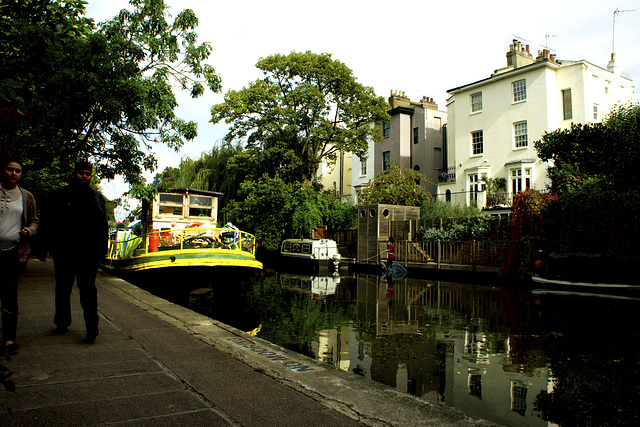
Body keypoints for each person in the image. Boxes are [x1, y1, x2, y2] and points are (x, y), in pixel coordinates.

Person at [41, 161, 108, 344]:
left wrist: (103, 249)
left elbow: (103, 225)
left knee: (88, 290)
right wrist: (44, 246)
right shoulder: (59, 195)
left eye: (87, 173)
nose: (84, 176)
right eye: (81, 173)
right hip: (65, 250)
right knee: (63, 287)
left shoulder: (96, 197)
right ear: (74, 174)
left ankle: (92, 329)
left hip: (89, 253)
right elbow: (47, 220)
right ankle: (62, 322)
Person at [0, 158, 39, 354]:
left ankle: (9, 338)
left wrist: (29, 232)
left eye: (18, 171)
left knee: (9, 295)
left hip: (12, 252)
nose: (14, 174)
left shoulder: (26, 196)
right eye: (10, 169)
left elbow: (34, 221)